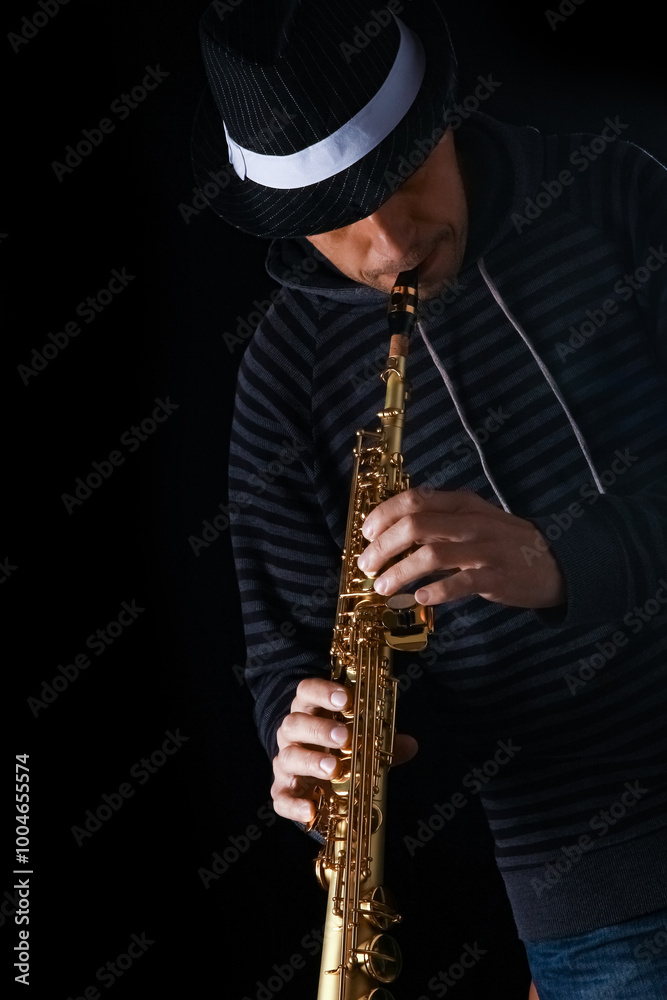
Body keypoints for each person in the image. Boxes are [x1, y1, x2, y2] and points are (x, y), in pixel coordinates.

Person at [191, 1, 667, 996]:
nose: (391, 245)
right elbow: (286, 655)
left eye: (405, 179)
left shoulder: (615, 194)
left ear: (441, 116)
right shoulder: (281, 381)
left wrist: (560, 559)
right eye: (336, 220)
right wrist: (313, 743)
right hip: (600, 907)